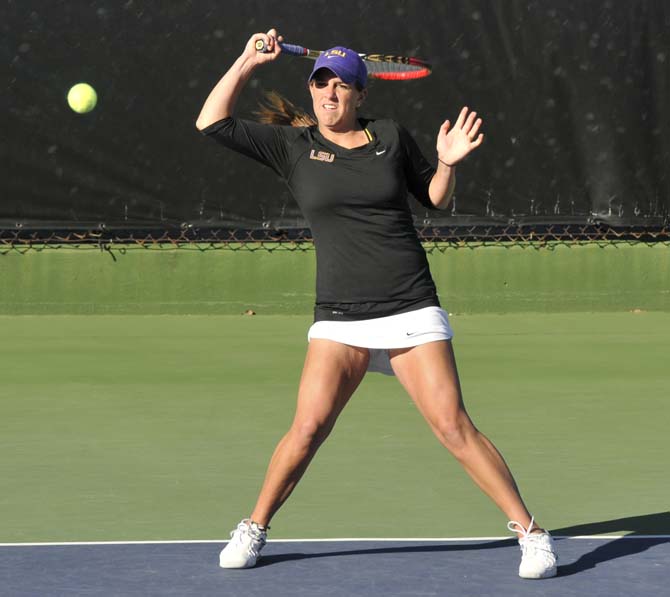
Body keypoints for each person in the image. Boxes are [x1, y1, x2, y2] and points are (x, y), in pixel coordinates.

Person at [196, 28, 557, 579]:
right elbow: (212, 122)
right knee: (308, 428)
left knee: (453, 427)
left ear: (362, 95)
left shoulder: (390, 137)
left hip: (410, 304)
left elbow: (434, 200)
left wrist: (448, 163)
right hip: (340, 317)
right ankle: (254, 527)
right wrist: (247, 61)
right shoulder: (291, 146)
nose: (329, 93)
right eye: (321, 83)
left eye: (341, 85)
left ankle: (532, 535)